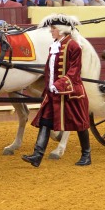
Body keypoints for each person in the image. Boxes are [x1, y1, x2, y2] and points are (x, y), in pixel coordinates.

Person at [21, 14, 90, 167]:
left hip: (70, 92)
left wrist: (59, 85)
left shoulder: (73, 46)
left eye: (53, 29)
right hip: (53, 93)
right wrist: (48, 87)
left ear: (61, 30)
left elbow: (74, 71)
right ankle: (37, 155)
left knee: (79, 123)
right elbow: (49, 70)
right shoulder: (54, 45)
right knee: (45, 122)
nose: (51, 31)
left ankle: (86, 155)